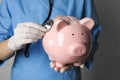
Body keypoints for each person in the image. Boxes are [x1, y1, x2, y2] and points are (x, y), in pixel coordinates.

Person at [0, 0, 101, 80]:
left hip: (65, 76)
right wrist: (12, 43)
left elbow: (91, 39)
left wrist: (79, 58)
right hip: (24, 76)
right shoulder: (11, 1)